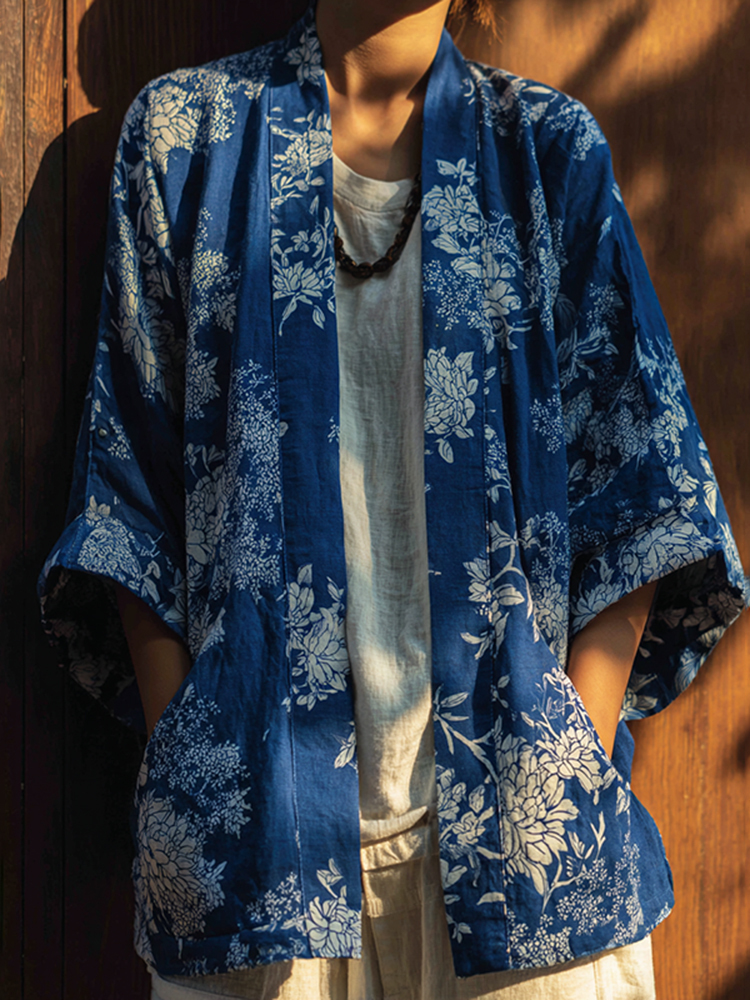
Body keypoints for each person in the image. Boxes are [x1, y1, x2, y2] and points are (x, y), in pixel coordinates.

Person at [38, 0, 746, 997]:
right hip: (259, 863)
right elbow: (128, 501)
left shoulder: (545, 151)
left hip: (524, 868)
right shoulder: (185, 139)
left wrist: (563, 756)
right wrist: (194, 758)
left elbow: (646, 489)